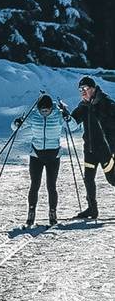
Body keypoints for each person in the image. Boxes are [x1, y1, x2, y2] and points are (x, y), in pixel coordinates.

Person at [62, 76, 115, 218]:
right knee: (89, 179)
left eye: (85, 89)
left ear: (93, 89)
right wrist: (66, 115)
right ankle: (92, 209)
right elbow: (72, 124)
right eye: (80, 90)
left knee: (113, 180)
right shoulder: (83, 106)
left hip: (106, 150)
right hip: (90, 149)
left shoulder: (107, 103)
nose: (83, 92)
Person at [13, 94, 68, 225]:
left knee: (51, 186)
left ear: (51, 108)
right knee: (34, 185)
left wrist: (67, 116)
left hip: (53, 156)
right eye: (42, 110)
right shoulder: (33, 115)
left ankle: (52, 212)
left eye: (47, 110)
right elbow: (15, 128)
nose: (44, 112)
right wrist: (17, 122)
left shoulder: (58, 115)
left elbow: (73, 127)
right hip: (36, 155)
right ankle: (31, 212)